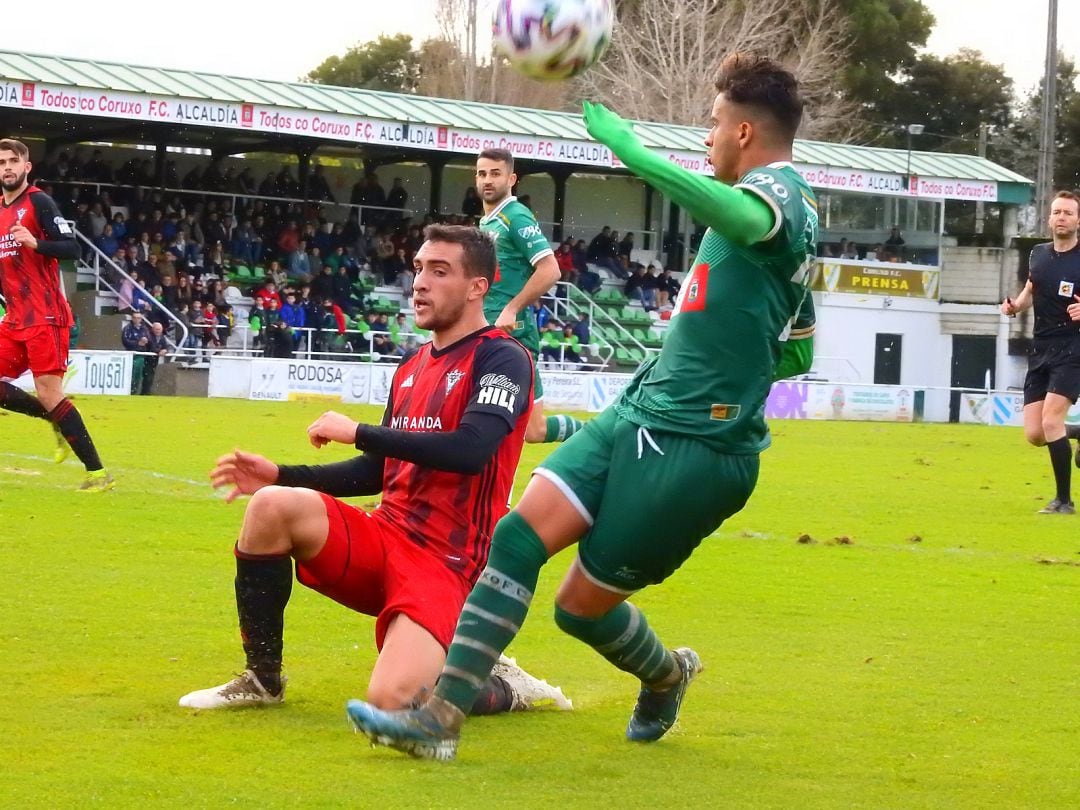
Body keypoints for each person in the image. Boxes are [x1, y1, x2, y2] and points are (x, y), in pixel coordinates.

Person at [347, 52, 818, 761]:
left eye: (714, 123)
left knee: (578, 609)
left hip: (697, 451)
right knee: (515, 538)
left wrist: (631, 152)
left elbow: (742, 223)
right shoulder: (758, 226)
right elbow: (800, 347)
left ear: (746, 133)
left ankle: (666, 673)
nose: (706, 137)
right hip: (635, 418)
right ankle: (440, 718)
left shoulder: (783, 197)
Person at [178, 224, 573, 715]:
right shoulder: (411, 366)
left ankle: (503, 687)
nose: (420, 283)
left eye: (439, 271)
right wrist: (279, 474)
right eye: (418, 270)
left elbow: (471, 449)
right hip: (385, 536)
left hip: (449, 563)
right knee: (270, 506)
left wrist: (359, 429)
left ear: (478, 287)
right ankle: (262, 678)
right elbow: (378, 471)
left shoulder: (503, 357)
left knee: (393, 700)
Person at [0, 138, 114, 491]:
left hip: (45, 316)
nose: (7, 167)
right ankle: (55, 418)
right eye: (1, 162)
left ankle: (97, 474)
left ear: (26, 167)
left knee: (49, 392)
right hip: (15, 317)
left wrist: (37, 243)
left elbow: (72, 247)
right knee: (48, 399)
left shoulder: (39, 202)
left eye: (13, 161)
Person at [474, 148, 584, 444]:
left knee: (533, 431)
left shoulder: (516, 216)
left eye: (495, 174)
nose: (487, 180)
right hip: (487, 331)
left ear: (511, 178)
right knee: (478, 423)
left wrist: (511, 308)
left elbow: (550, 270)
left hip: (514, 335)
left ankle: (594, 436)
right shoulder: (487, 223)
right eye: (482, 173)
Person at [1001, 190, 1080, 514]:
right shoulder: (1038, 254)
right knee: (1035, 433)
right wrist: (1017, 305)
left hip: (1074, 348)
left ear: (1078, 220)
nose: (1061, 217)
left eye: (1068, 213)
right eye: (1057, 212)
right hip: (1041, 347)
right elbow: (1033, 286)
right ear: (1049, 218)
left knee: (1050, 421)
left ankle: (1064, 500)